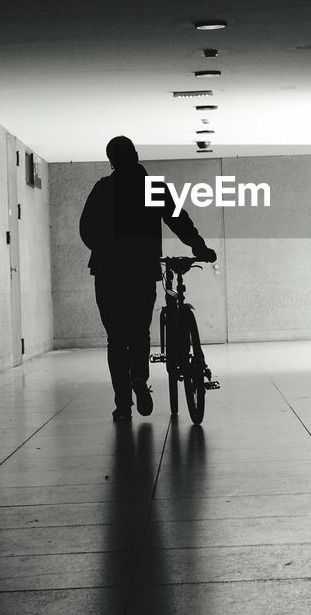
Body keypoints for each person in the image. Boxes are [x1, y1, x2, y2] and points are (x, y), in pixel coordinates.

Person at [80, 136, 217, 422]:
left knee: (116, 338)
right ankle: (140, 379)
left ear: (111, 160)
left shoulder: (104, 188)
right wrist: (199, 247)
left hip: (108, 272)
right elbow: (178, 219)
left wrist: (108, 249)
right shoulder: (151, 187)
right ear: (136, 155)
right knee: (139, 331)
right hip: (141, 271)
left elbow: (87, 230)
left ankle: (123, 404)